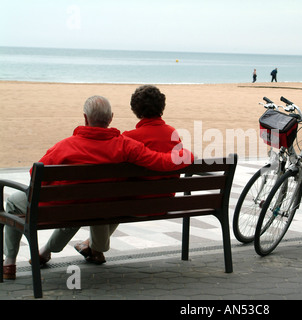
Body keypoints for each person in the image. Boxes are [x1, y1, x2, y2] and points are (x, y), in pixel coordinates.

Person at [3, 95, 193, 280]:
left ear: (85, 118)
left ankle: (9, 262)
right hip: (97, 207)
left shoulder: (65, 145)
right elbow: (158, 160)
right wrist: (185, 155)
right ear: (111, 118)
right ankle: (47, 251)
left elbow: (34, 175)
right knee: (81, 203)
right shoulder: (127, 146)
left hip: (66, 207)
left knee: (12, 202)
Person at [73, 85, 184, 261]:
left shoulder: (129, 137)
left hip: (136, 205)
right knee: (121, 195)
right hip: (165, 202)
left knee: (111, 196)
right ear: (161, 107)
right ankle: (91, 246)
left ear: (135, 110)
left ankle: (96, 249)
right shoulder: (173, 133)